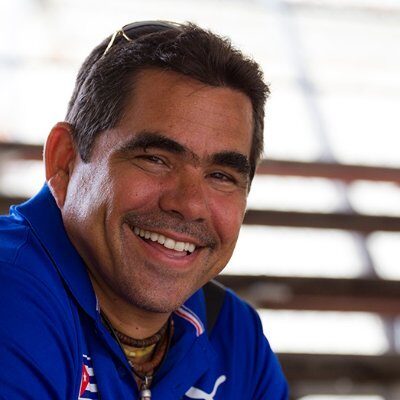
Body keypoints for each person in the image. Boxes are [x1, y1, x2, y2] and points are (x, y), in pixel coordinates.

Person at [0, 21, 288, 399]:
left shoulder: (234, 337)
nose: (189, 204)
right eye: (155, 159)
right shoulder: (11, 291)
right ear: (65, 159)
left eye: (221, 176)